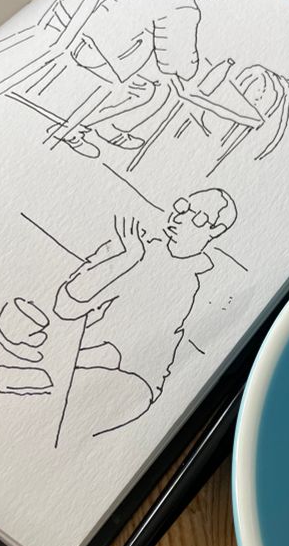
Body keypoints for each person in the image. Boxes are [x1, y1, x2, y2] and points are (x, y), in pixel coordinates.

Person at [53, 188, 238, 438]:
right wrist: (127, 258)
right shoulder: (132, 247)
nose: (179, 217)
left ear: (214, 231)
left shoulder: (188, 285)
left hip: (128, 379)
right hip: (76, 359)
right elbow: (66, 305)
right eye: (182, 206)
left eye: (197, 216)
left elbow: (128, 355)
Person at [53, 0, 240, 157]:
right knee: (154, 90)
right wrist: (189, 68)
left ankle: (104, 126)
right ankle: (71, 130)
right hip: (104, 56)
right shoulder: (184, 4)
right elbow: (177, 62)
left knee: (151, 81)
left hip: (86, 38)